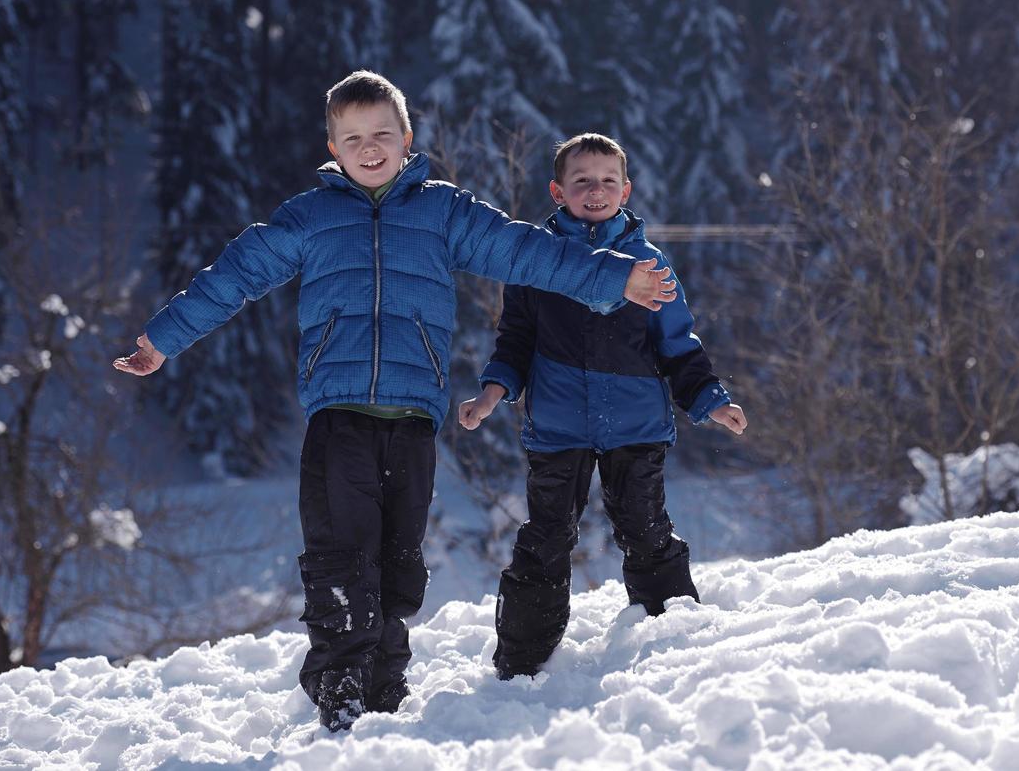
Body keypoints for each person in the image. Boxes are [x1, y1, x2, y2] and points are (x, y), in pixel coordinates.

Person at [112, 75, 679, 733]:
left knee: (399, 564)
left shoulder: (443, 212)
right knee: (339, 555)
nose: (370, 147)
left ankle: (382, 682)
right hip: (338, 413)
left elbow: (526, 251)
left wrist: (614, 276)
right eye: (354, 138)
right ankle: (339, 681)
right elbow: (235, 274)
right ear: (333, 146)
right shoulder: (310, 216)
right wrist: (161, 339)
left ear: (406, 139)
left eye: (383, 134)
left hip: (412, 416)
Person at [457, 132, 747, 680]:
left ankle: (675, 640)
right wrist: (494, 390)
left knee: (645, 528)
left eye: (608, 181)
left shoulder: (650, 263)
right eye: (582, 180)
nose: (596, 190)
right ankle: (521, 661)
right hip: (559, 427)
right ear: (557, 191)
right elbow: (514, 340)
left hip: (636, 425)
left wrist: (711, 400)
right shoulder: (536, 263)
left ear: (627, 189)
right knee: (546, 537)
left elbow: (678, 345)